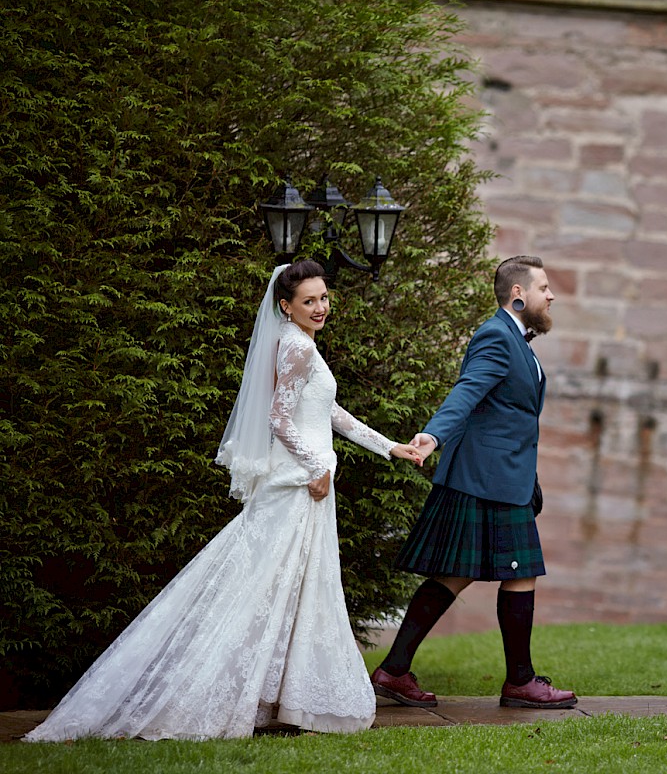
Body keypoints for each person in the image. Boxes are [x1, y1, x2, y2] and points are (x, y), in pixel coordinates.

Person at [25, 260, 423, 741]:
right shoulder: (297, 347)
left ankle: (275, 698)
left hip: (306, 479)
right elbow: (279, 419)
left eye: (323, 298)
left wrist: (389, 446)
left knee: (288, 589)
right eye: (309, 301)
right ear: (286, 306)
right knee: (264, 588)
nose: (320, 307)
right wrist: (316, 468)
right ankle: (233, 695)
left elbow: (327, 411)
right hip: (299, 483)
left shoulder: (301, 343)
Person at [370, 255, 576, 710]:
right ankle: (520, 681)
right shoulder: (496, 336)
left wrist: (529, 476)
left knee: (455, 574)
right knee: (519, 574)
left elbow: (506, 414)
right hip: (486, 477)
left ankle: (394, 670)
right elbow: (466, 391)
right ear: (518, 294)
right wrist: (433, 435)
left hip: (499, 475)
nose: (551, 296)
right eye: (543, 287)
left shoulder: (517, 340)